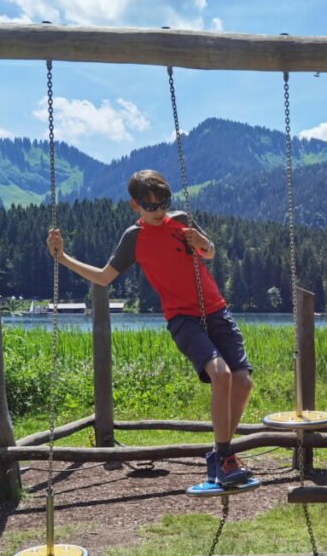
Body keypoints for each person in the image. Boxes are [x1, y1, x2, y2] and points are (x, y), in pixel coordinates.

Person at [46, 169, 255, 491]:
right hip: (183, 319)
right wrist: (63, 259)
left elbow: (209, 253)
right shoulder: (135, 237)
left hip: (216, 311)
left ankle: (219, 455)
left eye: (163, 204)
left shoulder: (182, 219)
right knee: (221, 374)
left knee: (243, 381)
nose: (159, 212)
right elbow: (104, 278)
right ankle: (226, 457)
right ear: (135, 205)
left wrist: (204, 242)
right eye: (150, 206)